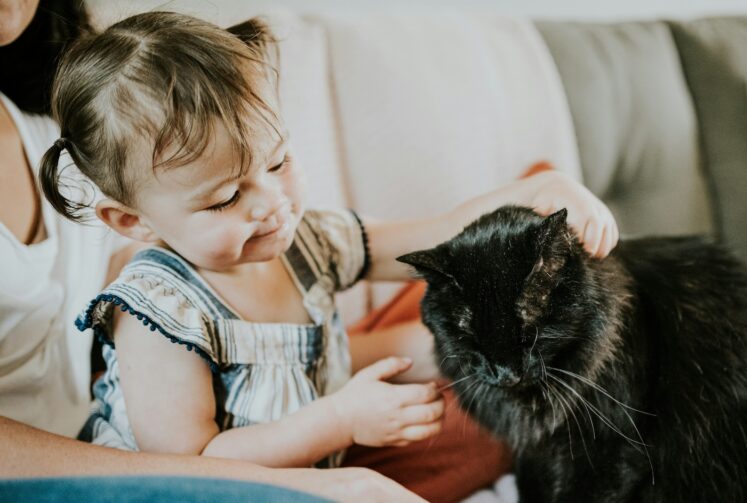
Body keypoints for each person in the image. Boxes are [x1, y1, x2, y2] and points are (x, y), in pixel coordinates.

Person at [0, 2, 610, 501]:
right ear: (130, 220)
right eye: (224, 198)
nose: (272, 204)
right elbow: (188, 465)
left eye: (278, 162)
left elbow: (438, 234)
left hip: (309, 462)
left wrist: (535, 192)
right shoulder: (158, 315)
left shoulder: (306, 239)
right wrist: (340, 422)